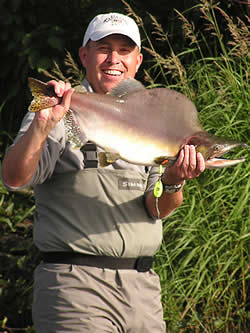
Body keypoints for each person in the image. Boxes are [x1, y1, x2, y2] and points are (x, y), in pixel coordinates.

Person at [1, 13, 205, 333]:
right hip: (74, 289)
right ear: (84, 55)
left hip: (143, 293)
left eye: (124, 50)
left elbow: (156, 208)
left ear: (138, 60)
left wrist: (174, 180)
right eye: (103, 48)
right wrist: (43, 125)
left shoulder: (153, 122)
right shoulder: (58, 108)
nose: (114, 59)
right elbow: (14, 179)